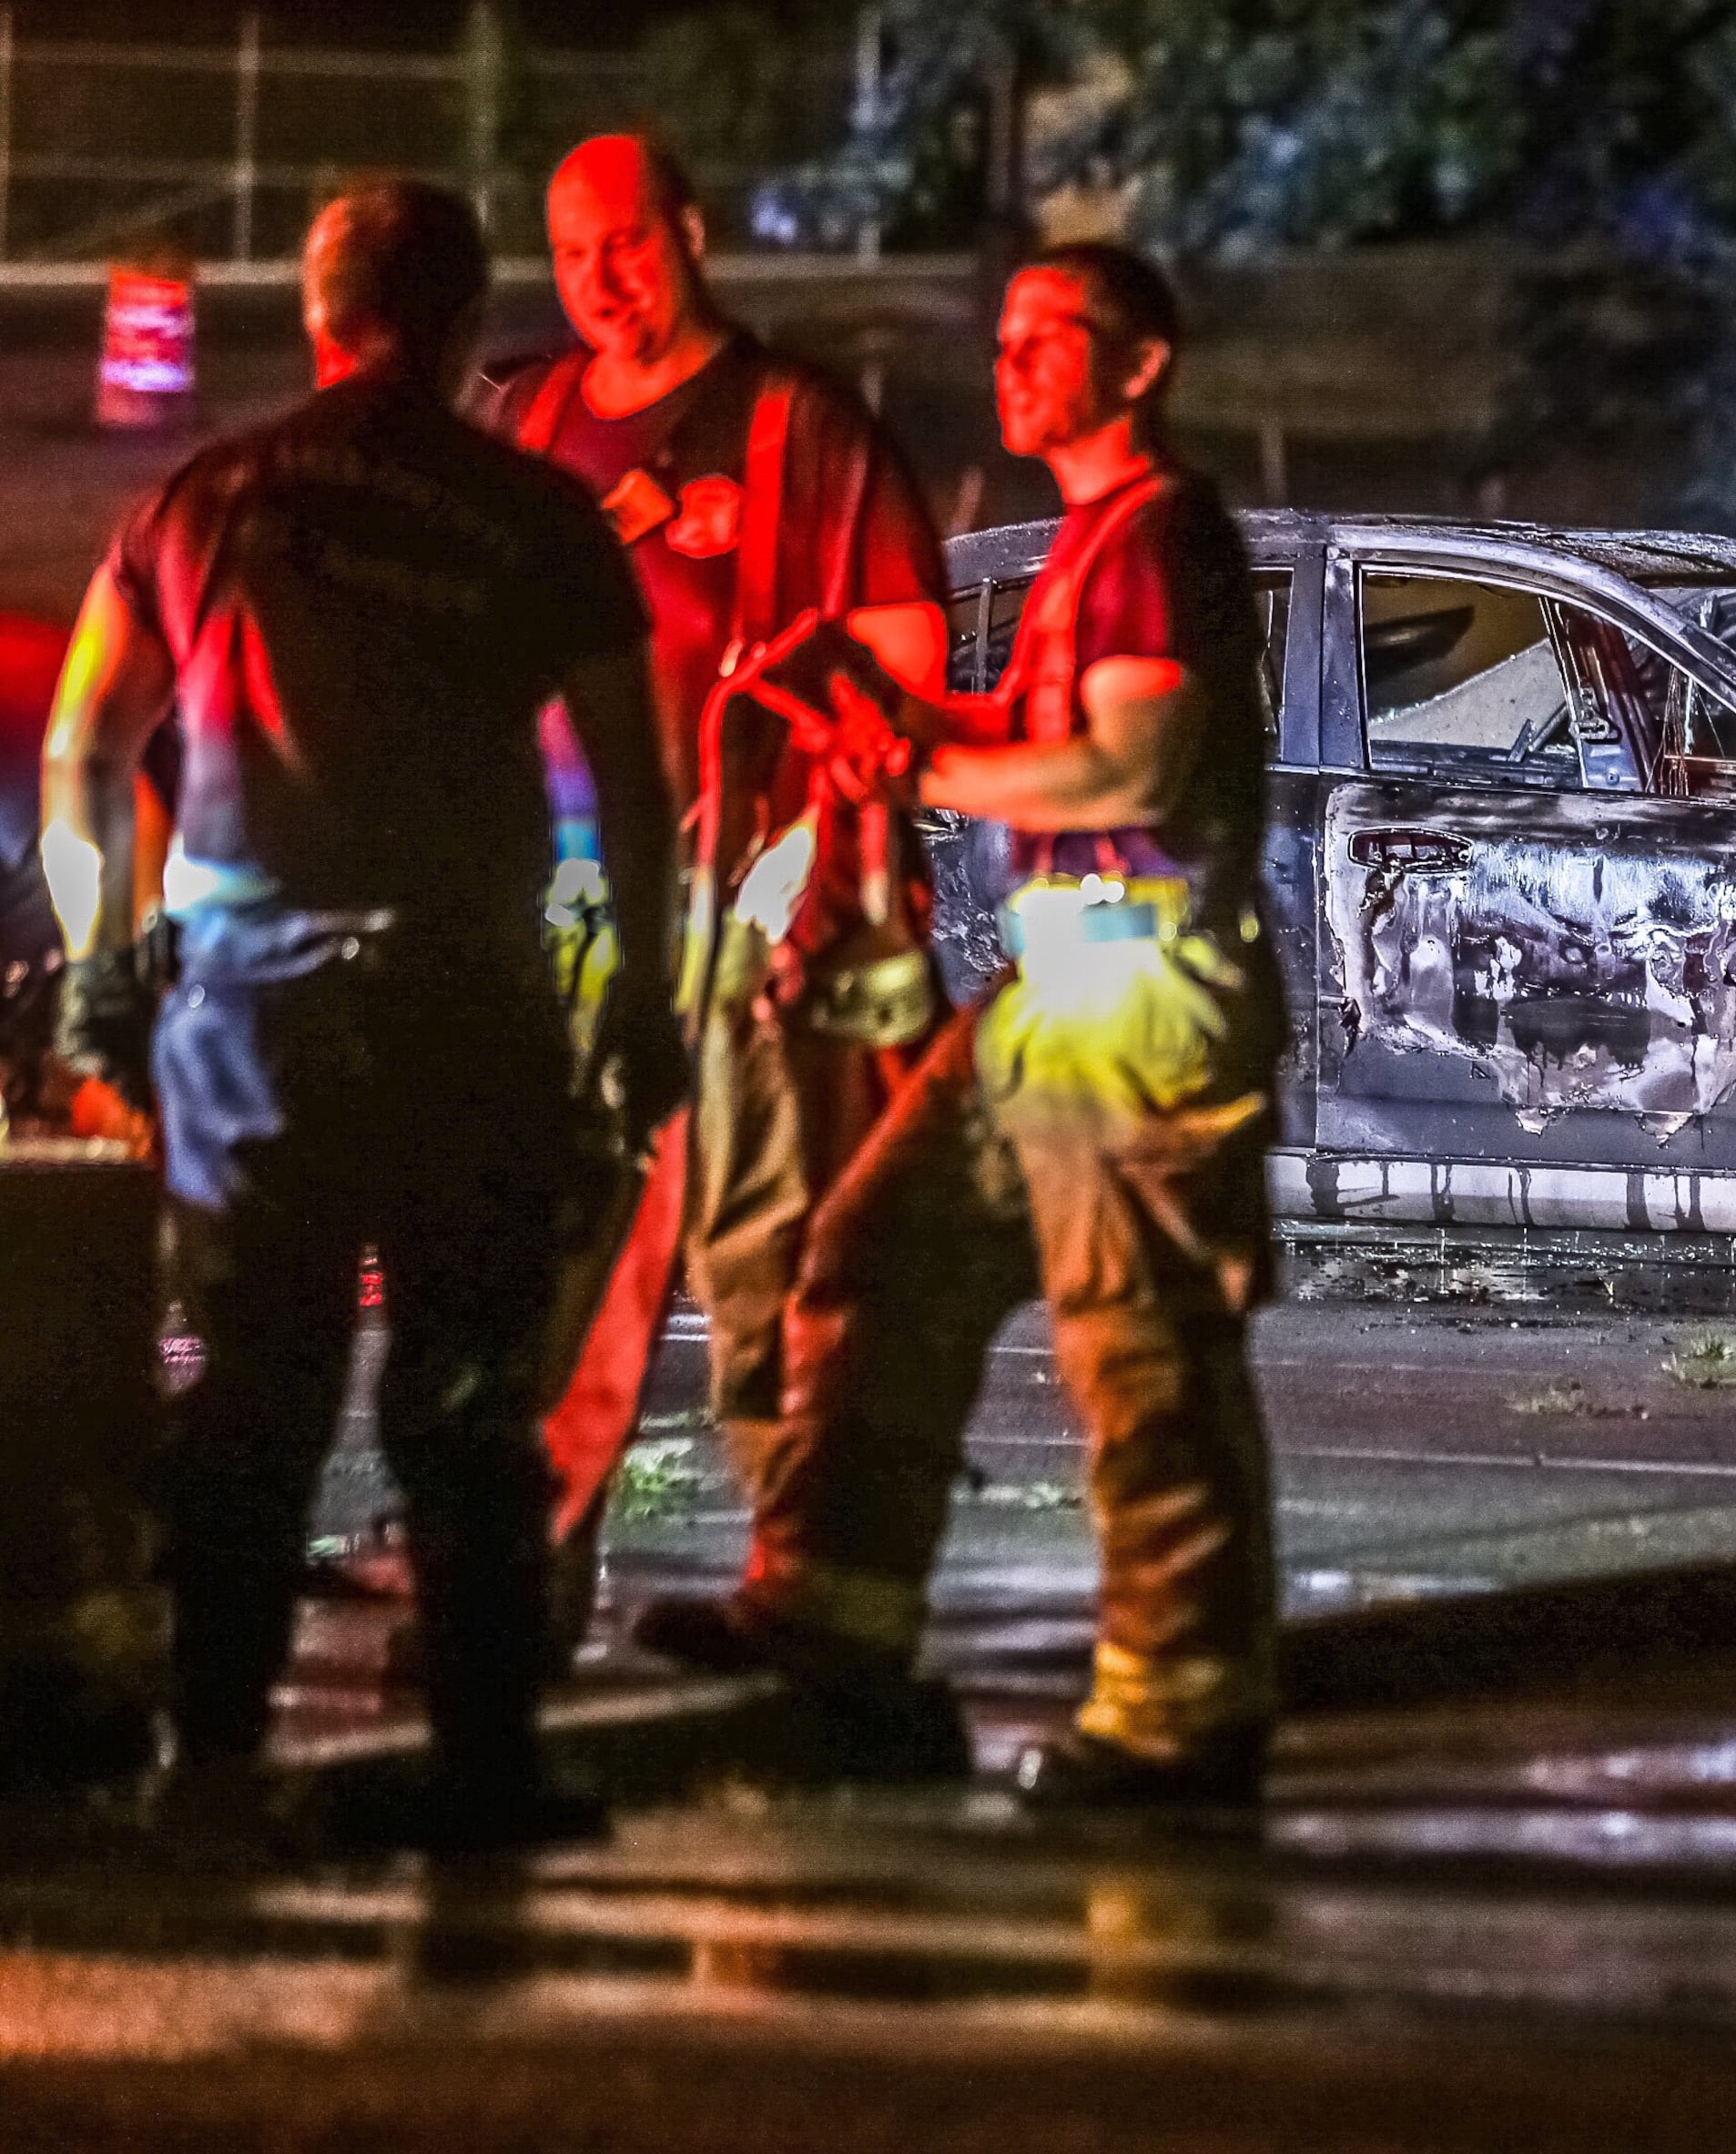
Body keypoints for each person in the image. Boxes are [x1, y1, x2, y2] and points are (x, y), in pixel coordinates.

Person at [39, 180, 684, 1849]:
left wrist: (107, 976)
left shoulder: (204, 500)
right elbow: (633, 787)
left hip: (247, 1018)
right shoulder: (540, 517)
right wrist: (643, 1009)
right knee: (469, 1397)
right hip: (467, 1005)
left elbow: (83, 756)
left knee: (253, 1389)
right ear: (470, 322)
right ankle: (485, 1773)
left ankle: (217, 1762)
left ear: (317, 319)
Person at [638, 243, 1284, 1814]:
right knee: (875, 1257)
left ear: (1140, 368)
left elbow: (1127, 769)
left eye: (1054, 336)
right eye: (1007, 336)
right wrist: (876, 704)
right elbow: (1026, 733)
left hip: (1141, 1003)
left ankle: (1180, 1714)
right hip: (1059, 1000)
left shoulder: (1160, 539)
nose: (1016, 361)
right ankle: (830, 1617)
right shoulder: (1089, 546)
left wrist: (911, 762)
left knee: (1140, 1353)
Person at [475, 136, 951, 1549]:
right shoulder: (531, 423)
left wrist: (788, 879)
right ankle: (512, 1581)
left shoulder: (799, 429)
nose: (600, 281)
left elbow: (905, 659)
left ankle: (802, 1578)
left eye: (625, 244)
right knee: (550, 1256)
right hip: (562, 908)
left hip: (748, 912)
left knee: (764, 1257)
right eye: (571, 255)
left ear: (691, 233)